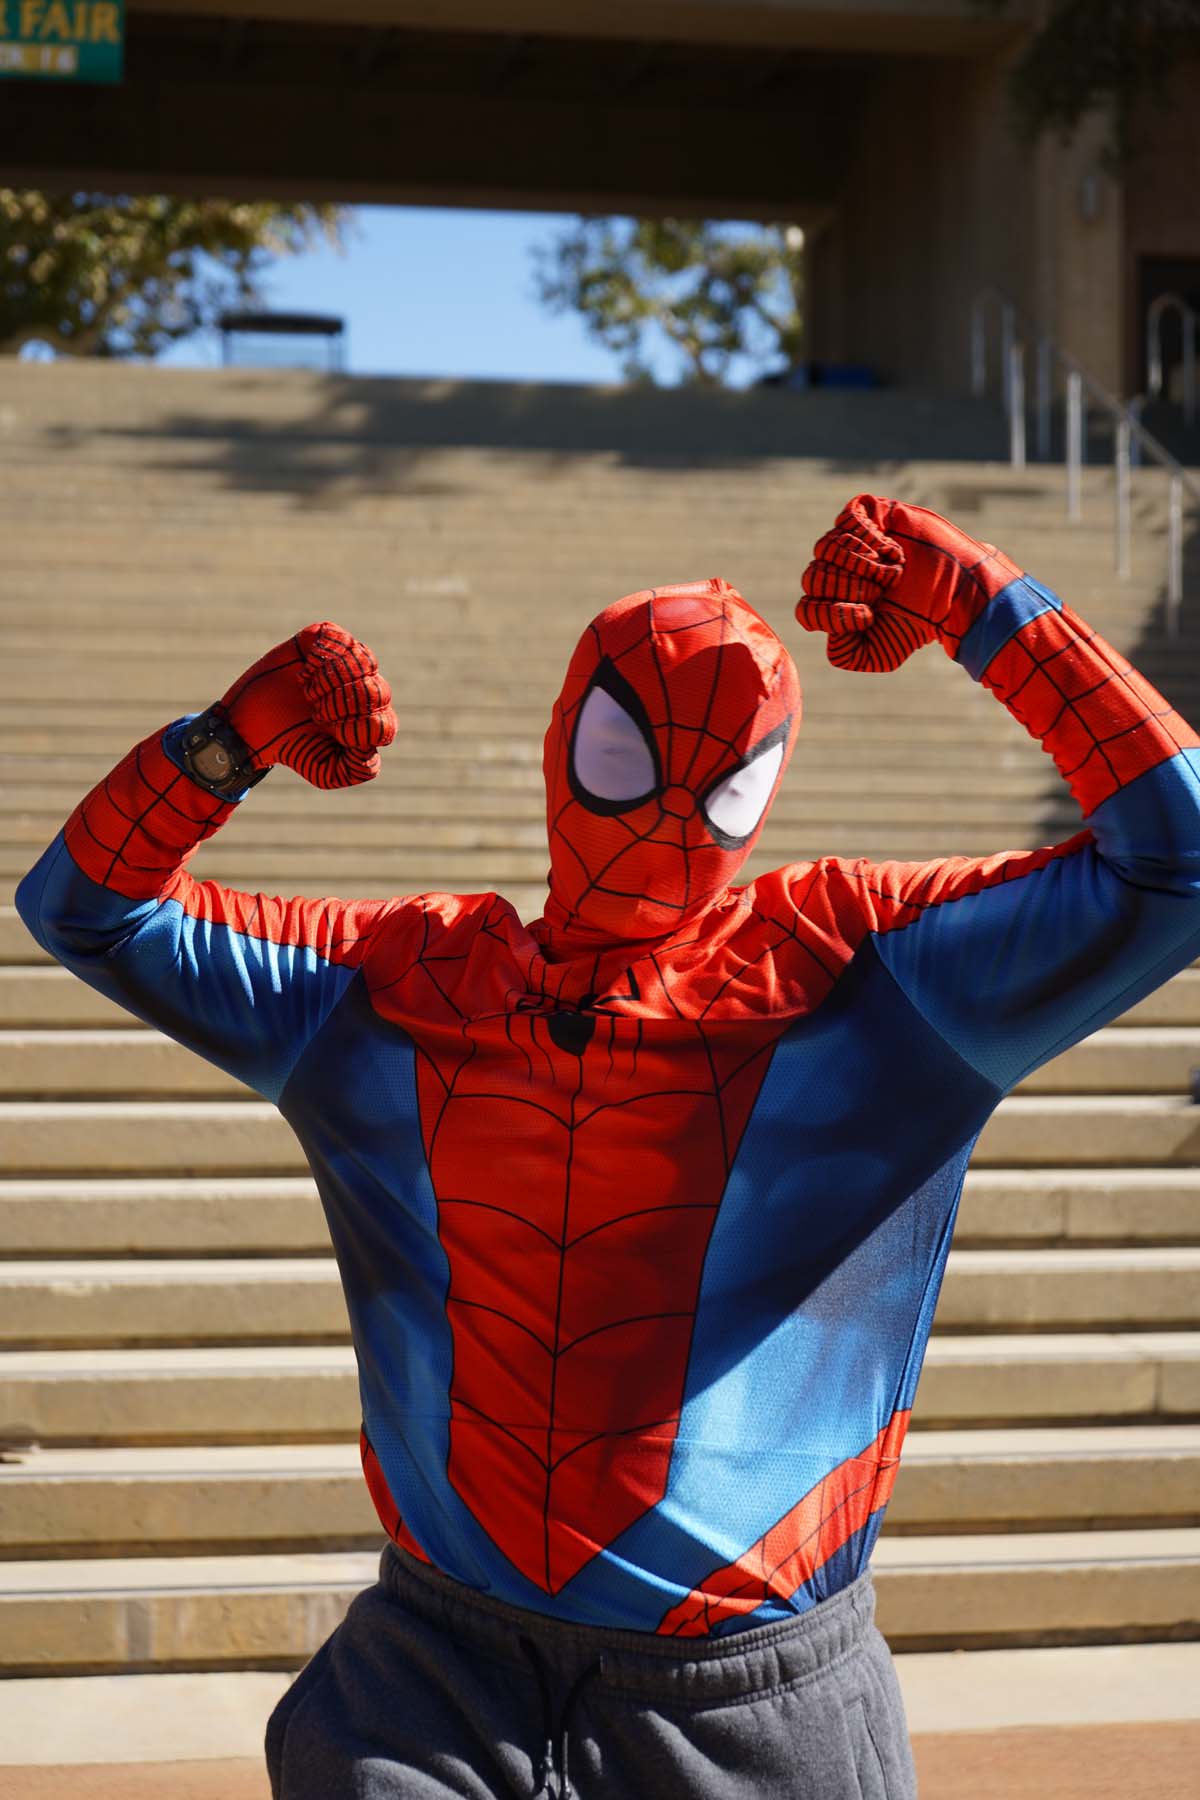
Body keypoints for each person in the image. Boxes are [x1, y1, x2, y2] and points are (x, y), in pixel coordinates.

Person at [17, 496, 1200, 1799]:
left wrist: (985, 601)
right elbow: (87, 911)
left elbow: (1183, 856)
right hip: (434, 1676)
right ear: (562, 742)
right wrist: (222, 742)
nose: (670, 817)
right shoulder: (396, 983)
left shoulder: (862, 971)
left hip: (750, 1704)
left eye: (722, 779)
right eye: (631, 756)